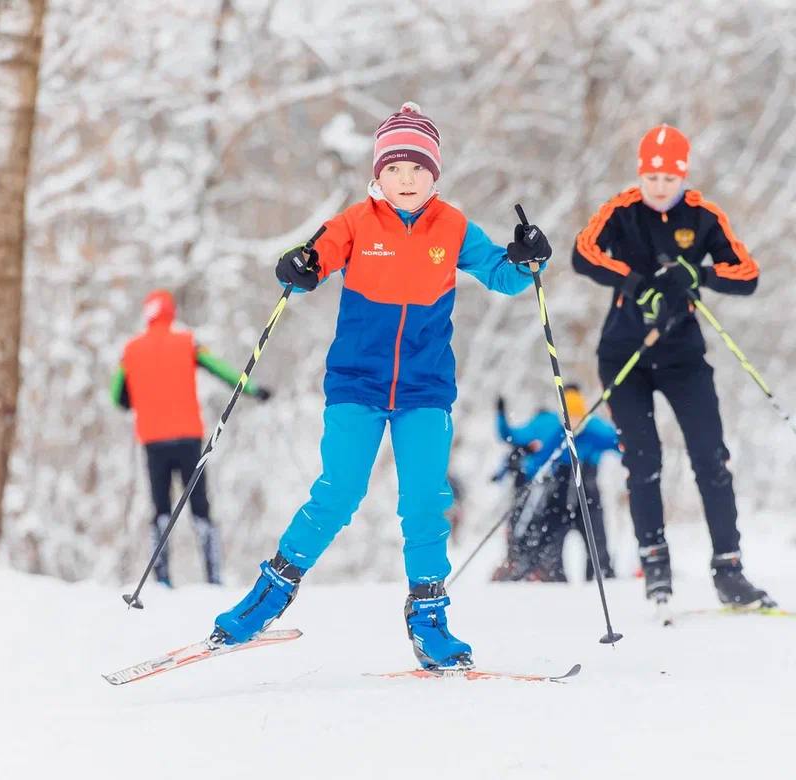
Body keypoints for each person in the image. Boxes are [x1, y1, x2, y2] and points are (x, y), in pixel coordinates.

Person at [210, 102, 551, 670]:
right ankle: (268, 595)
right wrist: (298, 267)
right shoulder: (356, 223)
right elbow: (312, 261)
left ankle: (429, 620)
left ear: (434, 174)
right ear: (378, 175)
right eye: (394, 169)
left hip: (425, 389)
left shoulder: (454, 227)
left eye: (417, 168)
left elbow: (504, 275)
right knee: (338, 492)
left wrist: (525, 257)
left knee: (425, 502)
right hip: (356, 385)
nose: (406, 179)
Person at [571, 123, 775, 610]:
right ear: (640, 174)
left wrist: (698, 273)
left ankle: (729, 570)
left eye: (669, 178)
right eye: (651, 177)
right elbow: (583, 254)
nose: (659, 187)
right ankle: (655, 566)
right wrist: (632, 280)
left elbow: (746, 275)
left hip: (683, 355)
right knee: (643, 459)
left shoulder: (702, 216)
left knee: (711, 457)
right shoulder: (622, 210)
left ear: (683, 175)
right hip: (626, 354)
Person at [111, 289, 272, 586]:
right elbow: (222, 371)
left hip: (153, 440)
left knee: (160, 507)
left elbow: (118, 398)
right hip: (188, 438)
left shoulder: (130, 351)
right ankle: (213, 576)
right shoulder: (188, 343)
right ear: (170, 312)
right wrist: (254, 390)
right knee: (199, 504)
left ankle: (161, 578)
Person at [493, 385, 618, 581]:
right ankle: (550, 577)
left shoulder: (596, 429)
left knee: (597, 545)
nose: (575, 425)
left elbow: (620, 441)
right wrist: (521, 465)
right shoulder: (552, 428)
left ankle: (601, 575)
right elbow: (521, 444)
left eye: (579, 419)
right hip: (558, 497)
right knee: (550, 548)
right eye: (570, 419)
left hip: (588, 496)